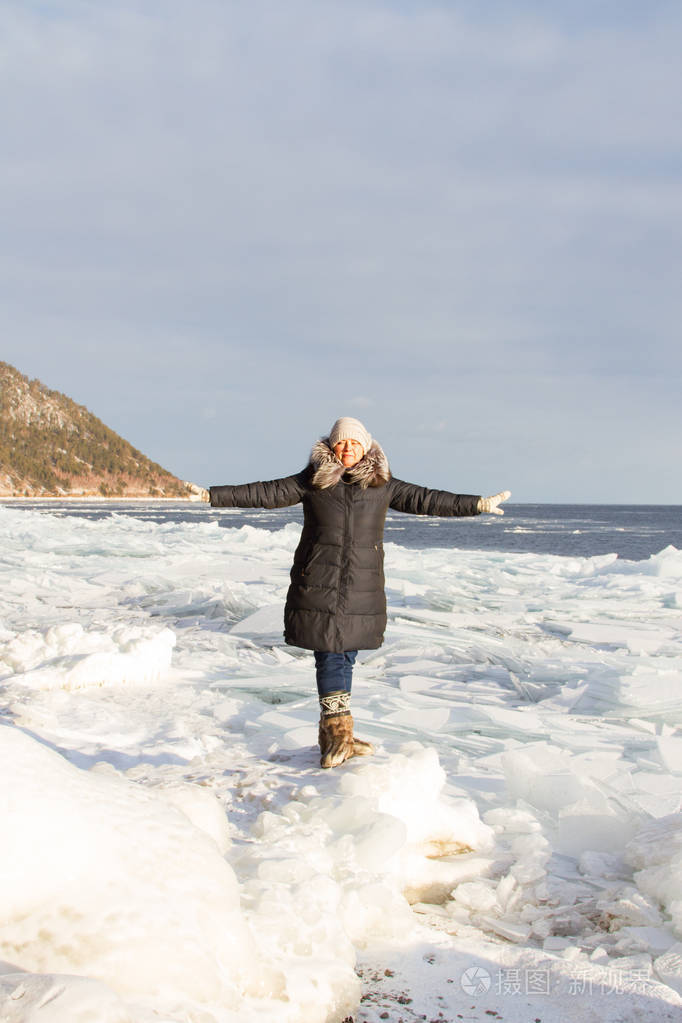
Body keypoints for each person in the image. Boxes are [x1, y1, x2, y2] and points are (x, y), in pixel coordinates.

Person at [205, 417, 509, 769]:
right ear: (331, 446)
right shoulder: (313, 482)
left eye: (354, 443)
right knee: (330, 653)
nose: (348, 448)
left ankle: (338, 736)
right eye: (341, 442)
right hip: (319, 579)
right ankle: (337, 735)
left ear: (366, 447)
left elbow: (429, 500)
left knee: (346, 654)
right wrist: (211, 495)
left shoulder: (384, 486)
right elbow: (264, 493)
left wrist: (477, 504)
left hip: (361, 585)